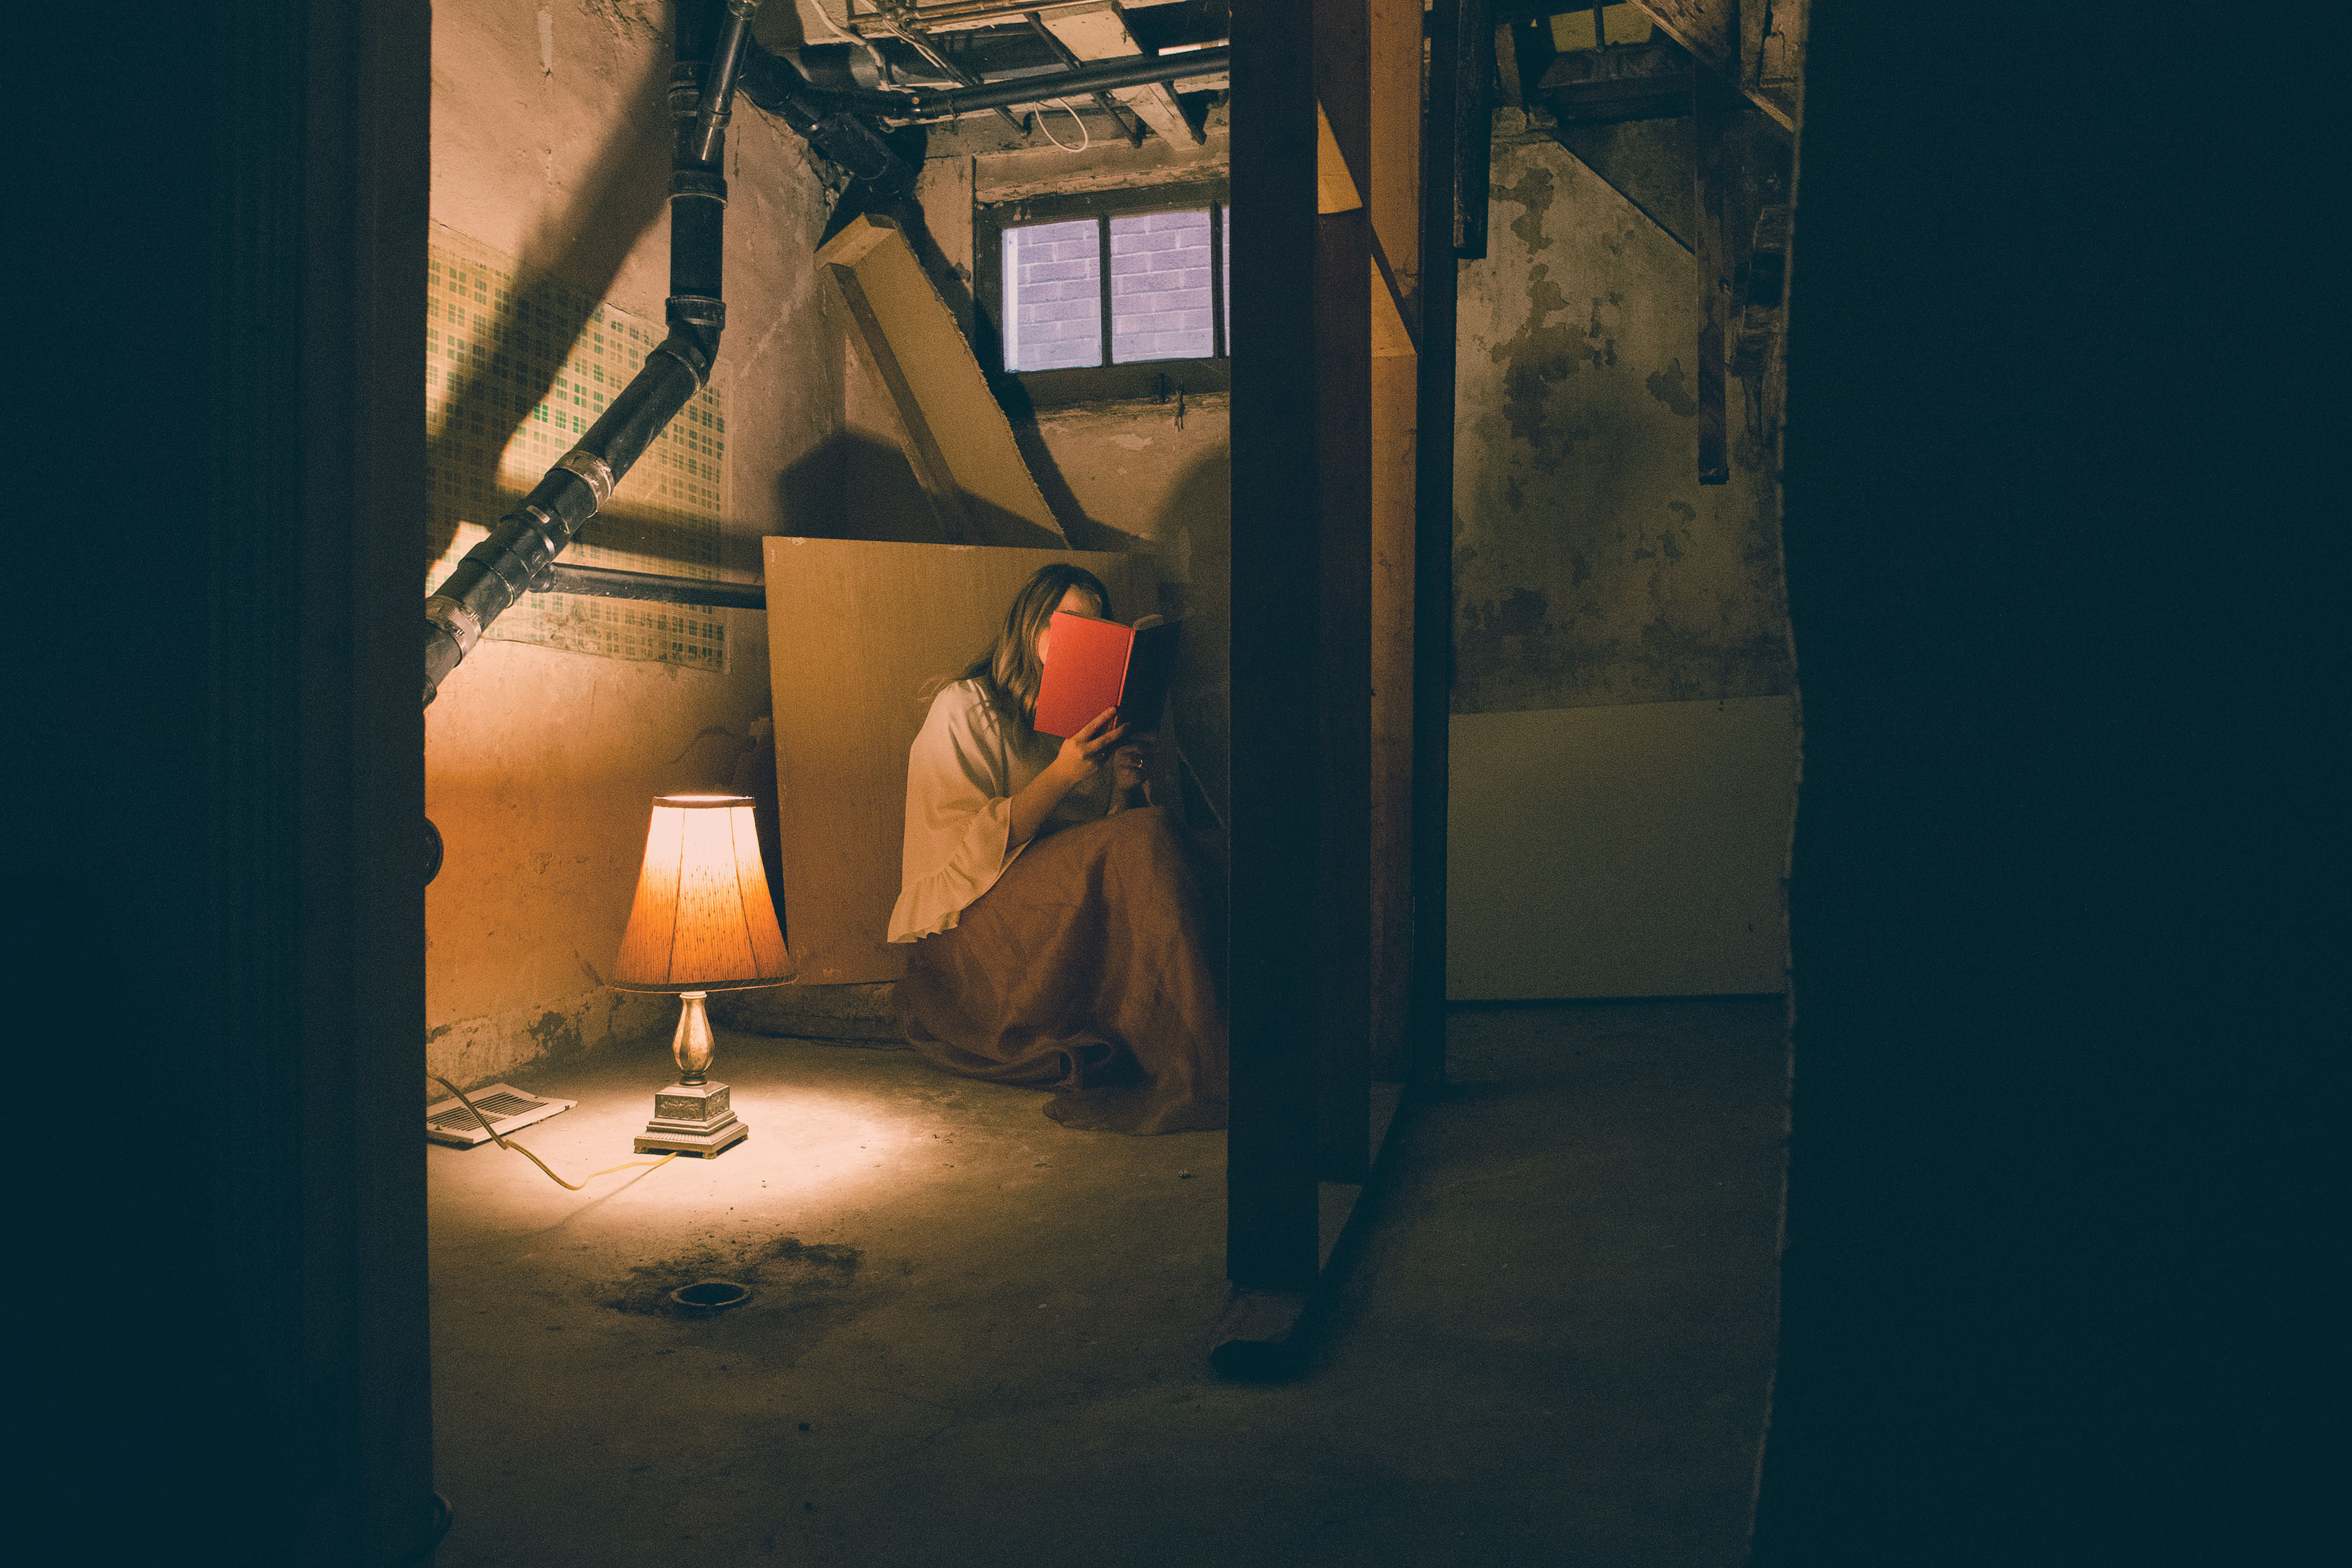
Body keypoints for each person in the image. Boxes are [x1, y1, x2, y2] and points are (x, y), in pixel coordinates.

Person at [887, 564, 1228, 1134]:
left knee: (1181, 839)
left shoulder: (1084, 717)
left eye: (1094, 628)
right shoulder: (967, 706)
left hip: (1056, 918)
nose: (1078, 637)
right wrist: (1065, 774)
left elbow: (1101, 857)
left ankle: (1218, 1039)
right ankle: (1202, 1063)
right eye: (1066, 623)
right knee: (1144, 838)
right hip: (977, 927)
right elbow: (962, 855)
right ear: (1029, 629)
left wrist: (1123, 790)